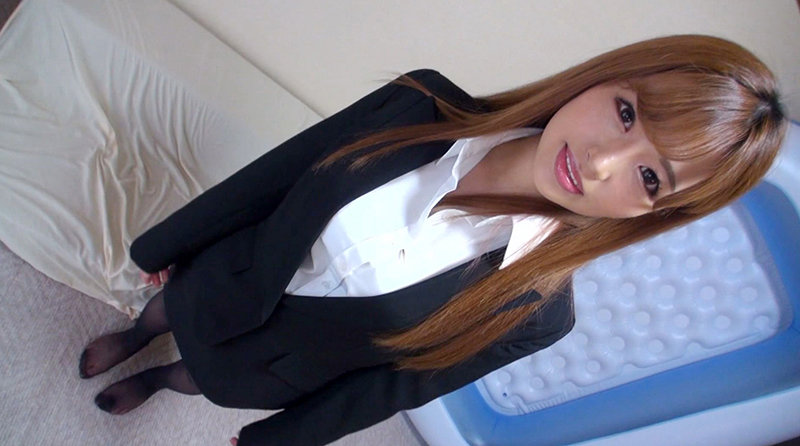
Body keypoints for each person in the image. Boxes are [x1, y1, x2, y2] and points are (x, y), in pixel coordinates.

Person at [78, 35, 786, 446]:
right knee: (164, 312)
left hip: (272, 370)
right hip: (227, 274)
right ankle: (138, 337)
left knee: (195, 378)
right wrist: (162, 245)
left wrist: (279, 440)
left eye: (651, 178)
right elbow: (278, 173)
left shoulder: (535, 313)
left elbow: (392, 388)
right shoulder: (420, 102)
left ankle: (157, 378)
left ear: (654, 213)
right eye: (625, 113)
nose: (602, 163)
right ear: (603, 80)